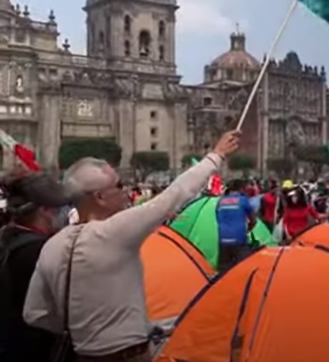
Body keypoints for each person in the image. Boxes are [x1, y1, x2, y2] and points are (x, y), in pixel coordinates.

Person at [24, 131, 239, 362]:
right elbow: (173, 195)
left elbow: (34, 314)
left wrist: (80, 327)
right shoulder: (115, 231)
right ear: (100, 197)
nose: (126, 191)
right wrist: (216, 155)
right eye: (119, 185)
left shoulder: (51, 246)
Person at [0, 172, 70, 362]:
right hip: (34, 349)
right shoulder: (39, 250)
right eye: (62, 208)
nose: (66, 213)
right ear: (45, 210)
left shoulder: (7, 237)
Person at [216, 179, 256, 272]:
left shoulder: (220, 201)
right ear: (241, 189)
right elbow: (253, 220)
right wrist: (248, 229)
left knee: (224, 270)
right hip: (239, 239)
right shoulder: (243, 200)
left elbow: (218, 219)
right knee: (243, 268)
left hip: (223, 238)